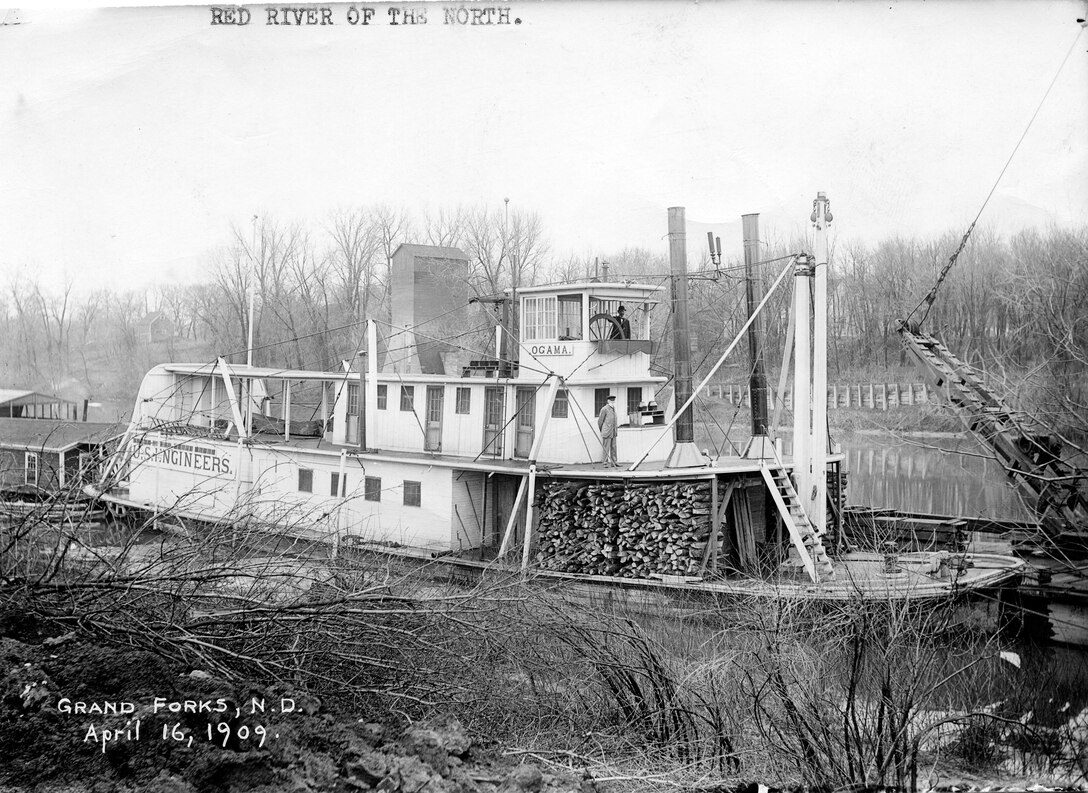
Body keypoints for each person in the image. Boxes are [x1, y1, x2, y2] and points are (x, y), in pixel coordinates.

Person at [597, 394, 618, 467]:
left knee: (614, 447)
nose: (612, 401)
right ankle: (605, 462)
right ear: (608, 401)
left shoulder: (613, 408)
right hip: (607, 431)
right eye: (611, 400)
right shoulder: (604, 409)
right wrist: (602, 430)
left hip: (613, 431)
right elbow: (600, 421)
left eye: (613, 400)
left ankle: (614, 462)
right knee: (606, 447)